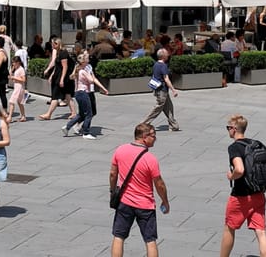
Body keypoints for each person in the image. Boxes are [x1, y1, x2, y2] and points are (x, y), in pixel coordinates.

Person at [108, 122, 167, 257]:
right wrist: (165, 201)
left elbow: (112, 174)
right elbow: (159, 184)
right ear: (144, 137)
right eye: (153, 135)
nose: (155, 138)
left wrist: (112, 191)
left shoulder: (120, 150)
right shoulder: (150, 159)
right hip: (145, 205)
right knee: (150, 240)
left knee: (119, 236)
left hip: (124, 202)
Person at [221, 114, 266, 257]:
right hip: (258, 194)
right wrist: (260, 172)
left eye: (228, 128)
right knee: (261, 231)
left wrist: (231, 176)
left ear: (234, 129)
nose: (228, 130)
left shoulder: (234, 147)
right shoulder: (256, 143)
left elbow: (239, 169)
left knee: (229, 228)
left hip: (240, 196)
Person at [140, 44, 181, 133]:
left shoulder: (156, 64)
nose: (168, 55)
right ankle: (143, 124)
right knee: (158, 108)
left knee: (169, 107)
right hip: (162, 90)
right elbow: (166, 79)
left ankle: (173, 125)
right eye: (167, 54)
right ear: (163, 56)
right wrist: (173, 90)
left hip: (159, 89)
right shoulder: (163, 66)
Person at [66, 49, 102, 139]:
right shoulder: (81, 70)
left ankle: (68, 126)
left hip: (85, 92)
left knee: (85, 113)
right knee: (89, 113)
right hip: (83, 92)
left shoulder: (87, 67)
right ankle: (85, 131)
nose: (88, 56)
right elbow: (91, 80)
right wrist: (90, 77)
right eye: (86, 55)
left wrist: (102, 88)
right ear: (82, 59)